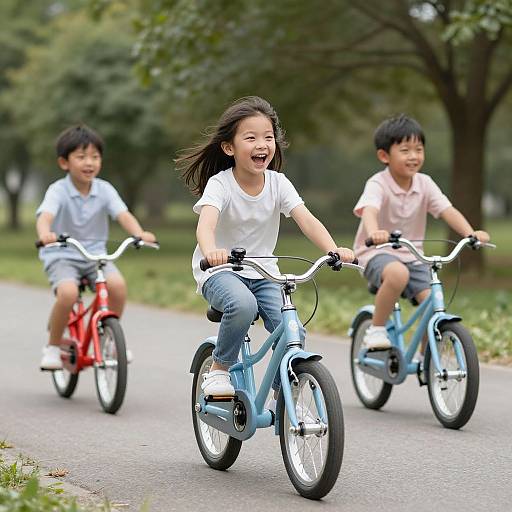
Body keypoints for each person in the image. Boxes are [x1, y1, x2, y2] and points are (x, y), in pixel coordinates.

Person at [177, 96, 355, 397]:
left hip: (265, 274)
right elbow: (205, 226)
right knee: (242, 305)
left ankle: (282, 392)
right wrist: (211, 253)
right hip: (220, 272)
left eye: (268, 137)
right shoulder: (220, 185)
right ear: (229, 148)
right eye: (251, 137)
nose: (262, 144)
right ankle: (220, 369)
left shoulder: (278, 183)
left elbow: (307, 220)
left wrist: (333, 249)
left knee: (294, 331)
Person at [353, 114, 490, 353]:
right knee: (397, 274)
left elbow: (447, 210)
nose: (414, 156)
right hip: (376, 253)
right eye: (405, 150)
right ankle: (376, 329)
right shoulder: (378, 183)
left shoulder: (425, 183)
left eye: (419, 149)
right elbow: (369, 211)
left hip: (414, 256)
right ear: (384, 156)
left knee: (433, 303)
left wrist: (471, 234)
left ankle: (428, 355)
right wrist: (375, 233)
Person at [36, 124, 156, 370]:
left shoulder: (104, 189)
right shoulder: (58, 190)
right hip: (62, 254)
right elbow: (44, 217)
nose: (89, 162)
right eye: (81, 157)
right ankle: (52, 346)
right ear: (64, 163)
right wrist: (45, 234)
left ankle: (108, 339)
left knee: (118, 287)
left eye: (95, 156)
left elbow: (123, 215)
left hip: (95, 256)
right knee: (68, 293)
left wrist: (139, 233)